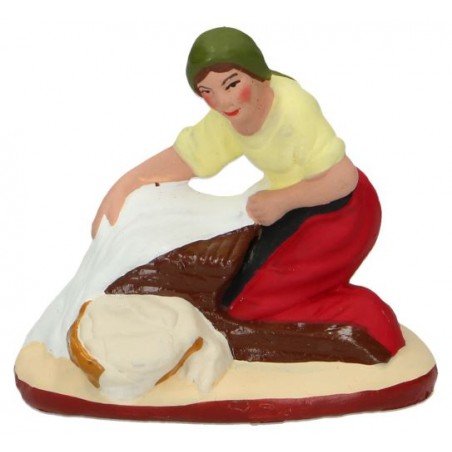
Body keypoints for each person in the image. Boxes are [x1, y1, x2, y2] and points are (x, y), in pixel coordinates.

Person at [92, 27, 405, 356]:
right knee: (227, 293)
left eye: (231, 84)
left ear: (258, 77)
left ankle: (368, 323)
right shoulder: (230, 115)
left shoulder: (293, 109)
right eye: (207, 91)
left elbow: (342, 178)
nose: (222, 101)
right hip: (287, 209)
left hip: (339, 212)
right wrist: (128, 183)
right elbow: (188, 156)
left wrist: (282, 200)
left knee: (245, 307)